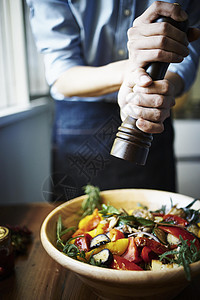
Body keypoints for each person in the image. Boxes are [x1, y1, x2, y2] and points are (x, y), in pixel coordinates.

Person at [26, 0, 200, 201]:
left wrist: (155, 91)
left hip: (150, 114)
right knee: (75, 223)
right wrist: (134, 71)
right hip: (80, 123)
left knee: (155, 220)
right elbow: (61, 74)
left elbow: (186, 58)